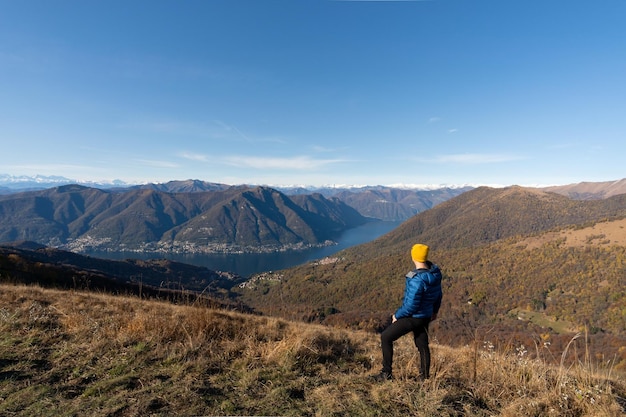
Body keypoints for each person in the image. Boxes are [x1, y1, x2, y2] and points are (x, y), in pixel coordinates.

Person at [372, 243, 443, 382]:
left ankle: (386, 373)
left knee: (386, 337)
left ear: (414, 257)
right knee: (422, 344)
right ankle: (424, 377)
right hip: (426, 316)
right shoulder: (434, 274)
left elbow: (411, 305)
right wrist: (434, 311)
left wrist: (396, 316)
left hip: (414, 317)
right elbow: (439, 295)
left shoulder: (416, 279)